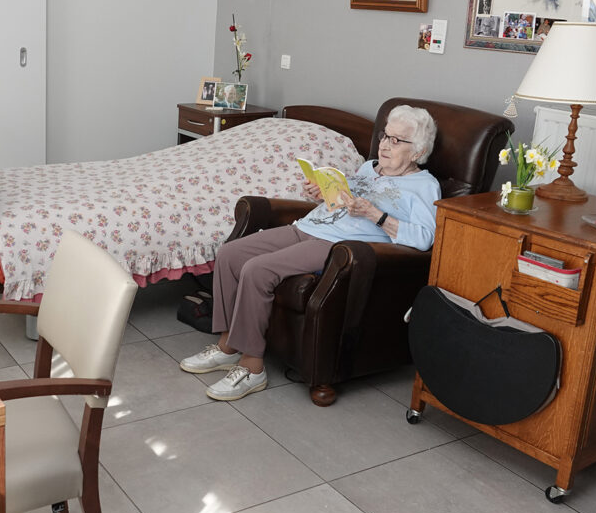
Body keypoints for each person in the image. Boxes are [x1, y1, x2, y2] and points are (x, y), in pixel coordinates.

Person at [179, 105, 441, 401]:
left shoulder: (424, 186)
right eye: (384, 136)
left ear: (418, 152)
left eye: (396, 140)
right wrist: (321, 195)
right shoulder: (369, 168)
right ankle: (228, 346)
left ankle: (252, 368)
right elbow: (341, 205)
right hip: (307, 226)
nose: (384, 145)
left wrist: (375, 215)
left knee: (257, 270)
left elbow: (425, 239)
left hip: (336, 245)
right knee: (230, 254)